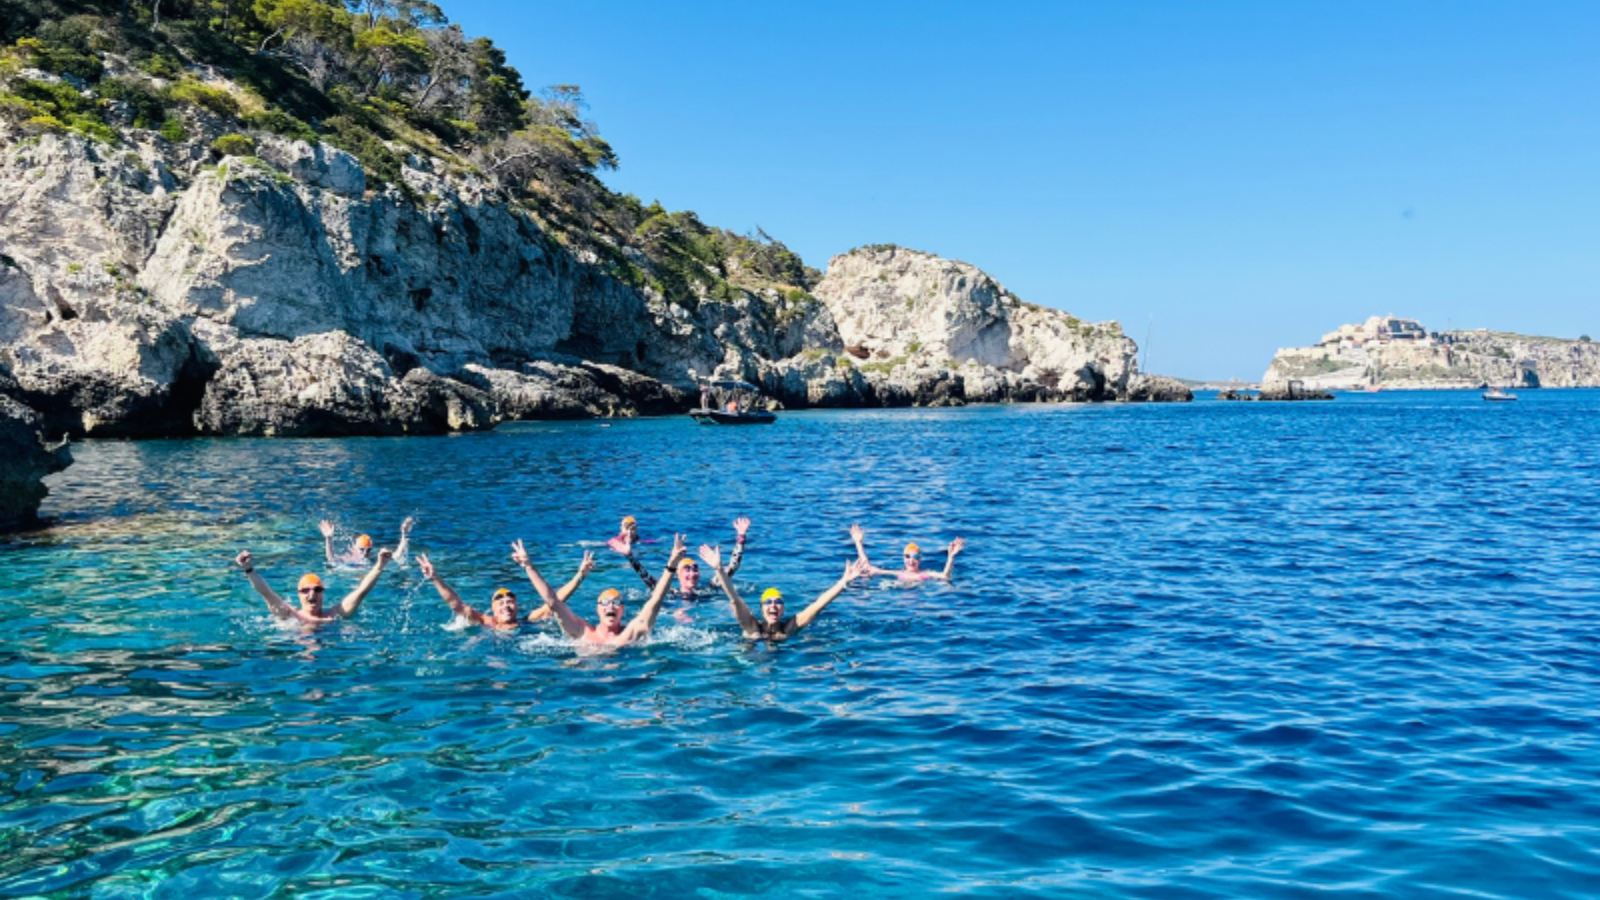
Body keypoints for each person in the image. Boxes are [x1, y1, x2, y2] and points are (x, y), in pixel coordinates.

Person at [699, 545, 870, 641]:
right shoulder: (752, 626)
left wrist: (843, 582)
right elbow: (734, 599)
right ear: (761, 608)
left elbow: (818, 605)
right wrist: (719, 570)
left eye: (778, 602)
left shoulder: (789, 628)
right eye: (768, 602)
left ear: (783, 609)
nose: (773, 605)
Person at [540, 535, 684, 646]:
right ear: (597, 609)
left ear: (622, 609)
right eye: (605, 602)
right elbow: (552, 602)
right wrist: (529, 566)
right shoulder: (583, 633)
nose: (611, 606)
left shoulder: (629, 634)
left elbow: (656, 599)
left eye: (616, 602)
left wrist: (672, 565)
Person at [416, 544, 597, 630]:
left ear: (517, 607)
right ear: (493, 609)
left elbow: (555, 602)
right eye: (500, 602)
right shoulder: (488, 623)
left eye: (510, 601)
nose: (506, 604)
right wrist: (435, 578)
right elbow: (457, 605)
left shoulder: (527, 621)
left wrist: (580, 576)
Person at [235, 548, 391, 627]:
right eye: (306, 590)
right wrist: (248, 569)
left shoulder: (334, 615)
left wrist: (380, 565)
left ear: (323, 593)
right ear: (299, 594)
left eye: (317, 589)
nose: (312, 593)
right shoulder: (290, 615)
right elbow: (266, 593)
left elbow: (362, 591)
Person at [612, 517, 749, 603]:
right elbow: (645, 576)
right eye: (687, 569)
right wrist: (630, 556)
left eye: (695, 569)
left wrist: (741, 538)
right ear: (678, 575)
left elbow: (733, 567)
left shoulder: (707, 590)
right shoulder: (670, 593)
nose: (692, 573)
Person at [850, 524, 964, 582]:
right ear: (903, 558)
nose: (911, 560)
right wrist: (858, 543)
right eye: (908, 556)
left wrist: (951, 557)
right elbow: (868, 567)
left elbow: (944, 576)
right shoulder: (897, 573)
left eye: (915, 557)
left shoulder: (925, 574)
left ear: (920, 559)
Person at [321, 516, 414, 567]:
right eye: (362, 549)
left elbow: (397, 555)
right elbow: (331, 559)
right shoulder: (349, 560)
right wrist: (328, 539)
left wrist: (404, 534)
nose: (365, 553)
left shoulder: (374, 560)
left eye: (368, 550)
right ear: (353, 547)